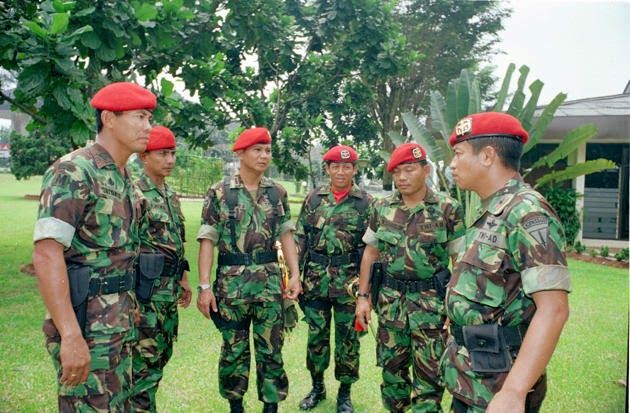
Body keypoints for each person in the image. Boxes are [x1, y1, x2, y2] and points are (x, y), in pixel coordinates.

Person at [32, 82, 156, 411]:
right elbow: (47, 253)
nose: (148, 127)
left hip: (122, 319)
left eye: (150, 119)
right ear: (109, 119)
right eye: (140, 117)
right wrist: (70, 335)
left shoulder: (123, 177)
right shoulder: (74, 170)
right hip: (87, 324)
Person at [442, 112, 571, 413]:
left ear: (487, 155)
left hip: (498, 386)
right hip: (471, 377)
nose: (451, 164)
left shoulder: (526, 212)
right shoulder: (492, 211)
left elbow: (553, 309)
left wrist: (514, 392)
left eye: (459, 154)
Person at [196, 127, 302, 413]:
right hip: (232, 288)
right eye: (257, 150)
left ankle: (271, 407)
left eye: (267, 150)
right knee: (233, 350)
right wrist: (204, 287)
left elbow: (287, 234)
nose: (264, 156)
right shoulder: (220, 192)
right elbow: (207, 239)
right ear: (240, 153)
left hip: (269, 286)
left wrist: (294, 274)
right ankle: (236, 406)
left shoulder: (277, 192)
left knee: (271, 349)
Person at [355, 142, 465, 413]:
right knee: (392, 378)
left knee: (429, 381)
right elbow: (370, 254)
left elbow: (459, 260)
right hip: (391, 305)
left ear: (426, 170)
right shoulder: (381, 208)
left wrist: (456, 303)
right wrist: (363, 297)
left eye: (409, 170)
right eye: (396, 173)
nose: (401, 178)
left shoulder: (448, 209)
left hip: (432, 307)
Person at [295, 145, 373, 413]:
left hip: (349, 285)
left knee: (348, 341)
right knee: (315, 339)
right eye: (335, 167)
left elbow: (371, 251)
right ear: (327, 169)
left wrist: (367, 291)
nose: (341, 171)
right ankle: (317, 387)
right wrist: (295, 276)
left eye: (347, 166)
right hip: (315, 283)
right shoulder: (313, 199)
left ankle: (344, 394)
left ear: (355, 169)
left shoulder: (365, 202)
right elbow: (301, 239)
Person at [131, 126, 193, 412]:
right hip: (144, 296)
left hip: (167, 296)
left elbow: (176, 241)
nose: (169, 160)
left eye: (172, 154)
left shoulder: (169, 194)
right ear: (144, 156)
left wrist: (184, 278)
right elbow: (125, 249)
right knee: (142, 366)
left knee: (159, 359)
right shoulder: (133, 193)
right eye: (162, 154)